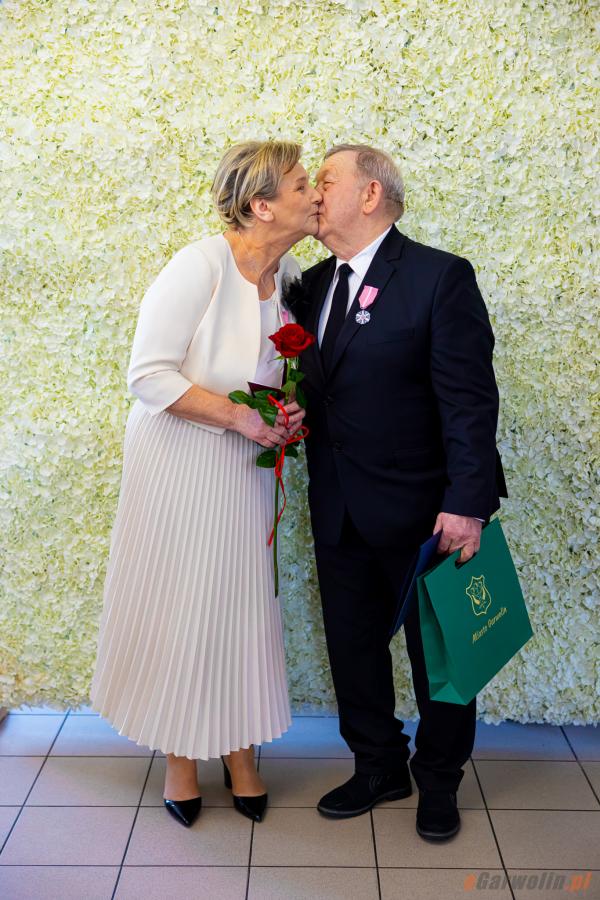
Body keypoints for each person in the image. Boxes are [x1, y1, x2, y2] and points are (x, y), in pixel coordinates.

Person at [90, 140, 320, 828]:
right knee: (181, 601)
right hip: (179, 461)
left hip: (243, 471)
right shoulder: (198, 266)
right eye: (302, 185)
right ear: (261, 205)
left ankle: (240, 750)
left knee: (240, 603)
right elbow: (147, 375)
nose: (315, 194)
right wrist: (241, 419)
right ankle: (181, 758)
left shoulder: (291, 276)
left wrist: (287, 410)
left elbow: (278, 376)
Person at [293, 144, 507, 841]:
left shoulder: (439, 277)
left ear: (371, 194)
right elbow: (318, 387)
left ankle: (439, 779)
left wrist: (468, 503)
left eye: (326, 181)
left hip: (427, 513)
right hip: (338, 506)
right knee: (352, 647)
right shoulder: (309, 286)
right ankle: (378, 765)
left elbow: (470, 401)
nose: (314, 193)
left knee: (440, 659)